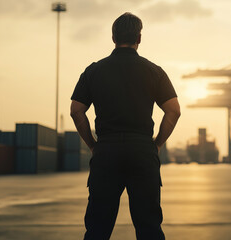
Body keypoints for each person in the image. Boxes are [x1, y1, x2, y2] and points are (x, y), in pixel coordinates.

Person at [70, 12, 180, 240]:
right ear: (139, 38)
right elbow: (174, 110)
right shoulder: (154, 71)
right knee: (149, 227)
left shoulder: (94, 71)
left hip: (107, 152)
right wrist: (156, 145)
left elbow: (76, 110)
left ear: (113, 37)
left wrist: (93, 145)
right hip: (142, 151)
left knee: (97, 228)